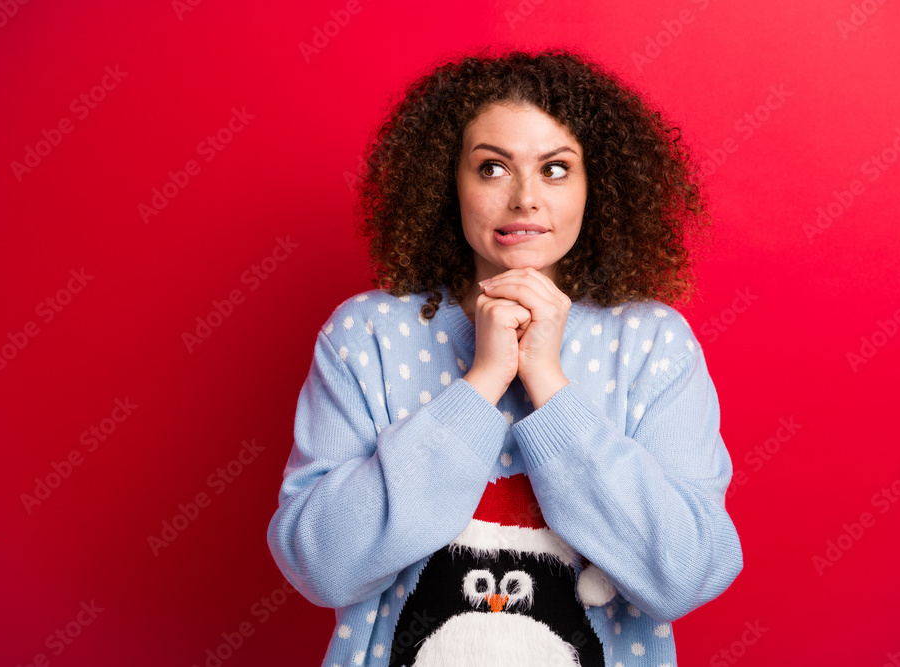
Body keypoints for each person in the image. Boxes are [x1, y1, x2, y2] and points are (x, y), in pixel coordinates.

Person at [267, 46, 743, 667]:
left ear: (596, 187)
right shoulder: (366, 336)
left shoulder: (653, 344)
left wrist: (548, 382)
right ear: (449, 183)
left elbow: (686, 575)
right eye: (492, 168)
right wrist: (482, 382)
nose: (524, 198)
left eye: (555, 169)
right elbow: (321, 567)